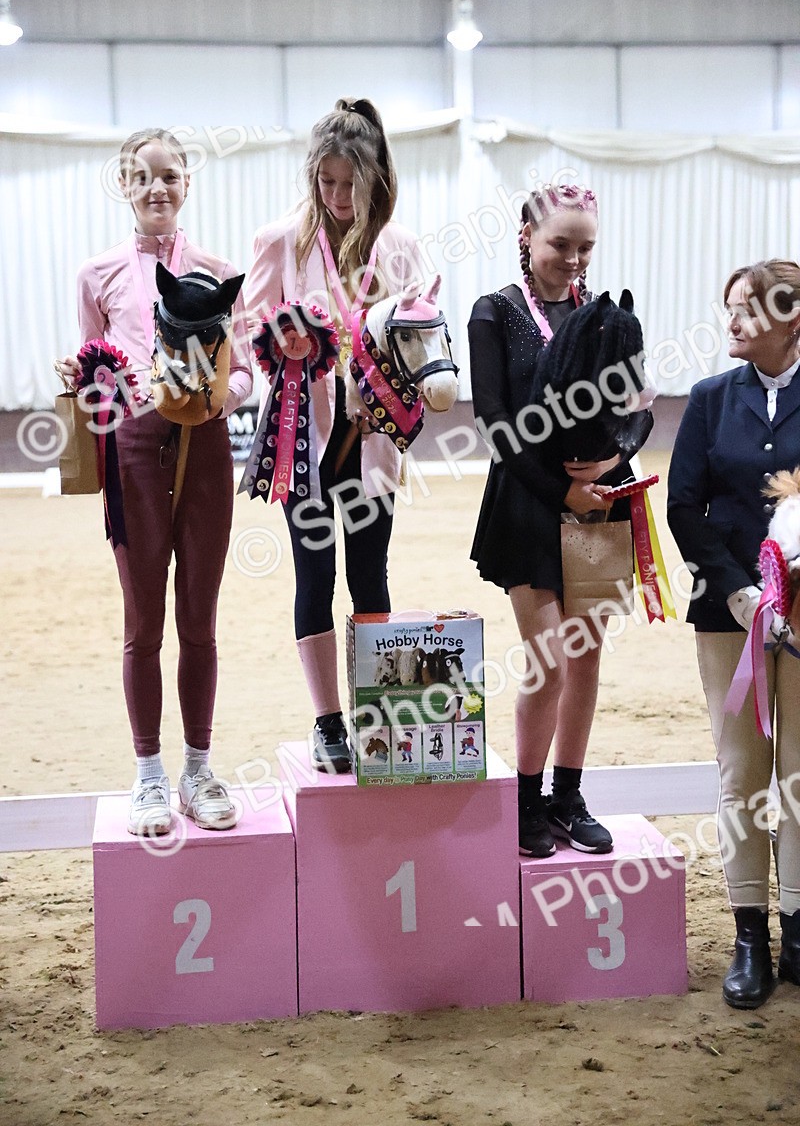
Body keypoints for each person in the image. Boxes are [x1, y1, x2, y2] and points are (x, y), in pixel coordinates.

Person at [56, 128, 252, 836]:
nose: (157, 188)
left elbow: (245, 372)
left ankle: (199, 769)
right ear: (124, 185)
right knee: (143, 623)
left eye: (169, 175)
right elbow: (90, 372)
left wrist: (210, 397)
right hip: (132, 451)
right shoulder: (96, 274)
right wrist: (86, 384)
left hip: (203, 447)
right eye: (142, 177)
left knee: (198, 621)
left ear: (187, 182)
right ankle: (148, 775)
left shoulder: (220, 269)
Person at [468, 183, 649, 859]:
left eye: (585, 248)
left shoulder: (605, 317)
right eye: (560, 245)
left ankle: (567, 795)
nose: (573, 261)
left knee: (586, 656)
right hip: (527, 500)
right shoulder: (493, 312)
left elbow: (638, 409)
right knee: (547, 661)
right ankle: (525, 797)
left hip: (601, 503)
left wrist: (616, 456)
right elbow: (494, 422)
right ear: (526, 236)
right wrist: (559, 494)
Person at [246, 98, 426, 773]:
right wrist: (284, 339)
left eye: (350, 183)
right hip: (307, 434)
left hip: (371, 436)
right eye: (326, 182)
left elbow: (417, 336)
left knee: (369, 573)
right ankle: (328, 722)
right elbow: (250, 329)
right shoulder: (280, 241)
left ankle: (376, 712)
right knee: (313, 573)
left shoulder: (399, 245)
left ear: (375, 177)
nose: (338, 195)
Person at [667, 259, 800, 1009]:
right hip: (730, 616)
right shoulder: (712, 401)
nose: (733, 323)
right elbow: (684, 507)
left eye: (747, 310)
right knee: (740, 772)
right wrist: (740, 590)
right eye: (731, 310)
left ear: (791, 319)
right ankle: (750, 932)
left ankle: (799, 928)